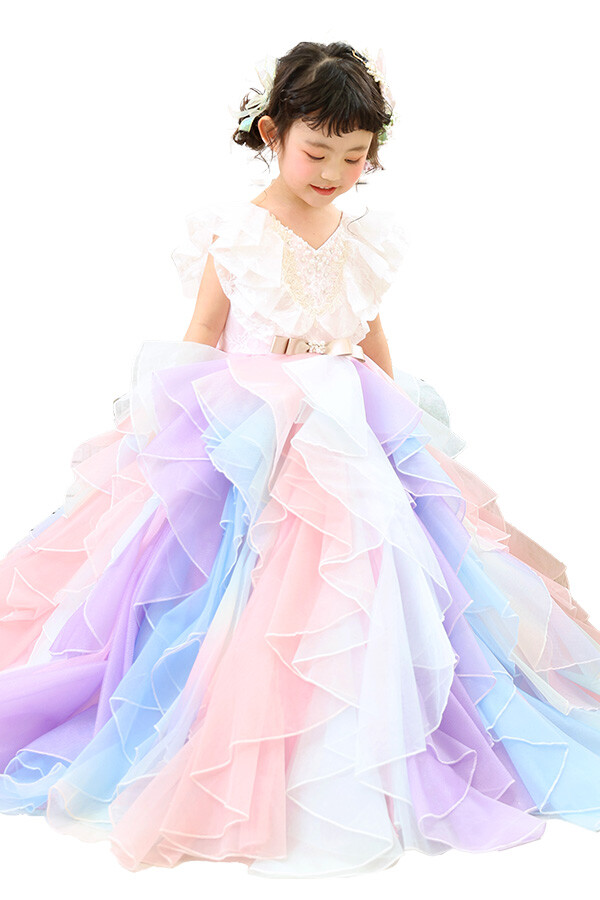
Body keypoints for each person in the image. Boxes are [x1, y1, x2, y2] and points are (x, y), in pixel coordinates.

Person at [1, 39, 600, 880]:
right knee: (231, 579)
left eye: (354, 157)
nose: (334, 173)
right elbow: (205, 333)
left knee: (382, 568)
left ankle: (364, 732)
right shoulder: (239, 233)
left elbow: (370, 332)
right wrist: (172, 425)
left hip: (347, 418)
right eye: (317, 151)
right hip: (256, 419)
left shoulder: (361, 237)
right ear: (271, 132)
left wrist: (400, 421)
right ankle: (234, 736)